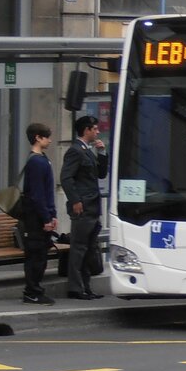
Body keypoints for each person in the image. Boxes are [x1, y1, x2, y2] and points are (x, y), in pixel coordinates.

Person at [60, 115, 109, 300]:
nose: (97, 132)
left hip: (93, 207)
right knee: (79, 248)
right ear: (86, 130)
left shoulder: (86, 150)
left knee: (89, 248)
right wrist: (75, 200)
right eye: (95, 129)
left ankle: (86, 287)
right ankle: (75, 287)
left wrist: (102, 153)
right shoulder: (75, 151)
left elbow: (101, 174)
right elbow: (66, 178)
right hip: (83, 207)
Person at [21, 122, 58, 306]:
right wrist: (46, 218)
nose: (50, 140)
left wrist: (52, 215)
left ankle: (34, 290)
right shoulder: (36, 161)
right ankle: (32, 291)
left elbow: (45, 192)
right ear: (37, 137)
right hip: (36, 219)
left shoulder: (41, 159)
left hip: (42, 216)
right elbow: (37, 194)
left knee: (40, 255)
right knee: (36, 256)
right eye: (47, 136)